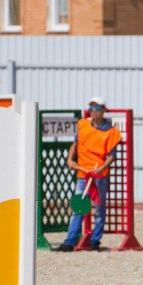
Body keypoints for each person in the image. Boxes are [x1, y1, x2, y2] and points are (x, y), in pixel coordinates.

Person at [53, 96, 122, 252]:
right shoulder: (83, 125)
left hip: (99, 175)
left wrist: (102, 167)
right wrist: (70, 159)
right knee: (78, 207)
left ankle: (95, 240)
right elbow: (75, 145)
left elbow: (111, 155)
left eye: (97, 108)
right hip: (83, 174)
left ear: (104, 110)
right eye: (91, 108)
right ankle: (70, 242)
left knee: (99, 207)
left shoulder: (112, 132)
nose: (93, 111)